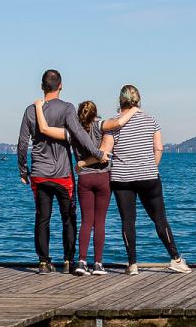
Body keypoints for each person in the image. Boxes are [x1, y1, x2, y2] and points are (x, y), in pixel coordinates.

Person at [16, 69, 108, 275]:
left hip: (39, 174)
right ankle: (68, 260)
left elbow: (22, 143)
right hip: (63, 174)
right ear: (61, 86)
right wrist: (97, 152)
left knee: (42, 218)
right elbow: (79, 134)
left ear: (41, 87)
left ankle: (43, 262)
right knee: (69, 218)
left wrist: (23, 170)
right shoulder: (67, 109)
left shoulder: (31, 110)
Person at [34, 99, 138, 276]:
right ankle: (98, 263)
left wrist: (38, 107)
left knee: (86, 221)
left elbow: (45, 129)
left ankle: (82, 261)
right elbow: (119, 122)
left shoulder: (72, 132)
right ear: (95, 114)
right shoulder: (101, 126)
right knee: (100, 222)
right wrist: (134, 108)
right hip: (104, 177)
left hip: (84, 179)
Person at [108, 84, 189, 274]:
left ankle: (132, 264)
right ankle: (176, 258)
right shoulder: (151, 120)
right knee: (160, 219)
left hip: (122, 177)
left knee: (128, 221)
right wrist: (151, 166)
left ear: (120, 101)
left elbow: (108, 149)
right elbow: (159, 148)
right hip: (148, 176)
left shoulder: (114, 123)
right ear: (138, 100)